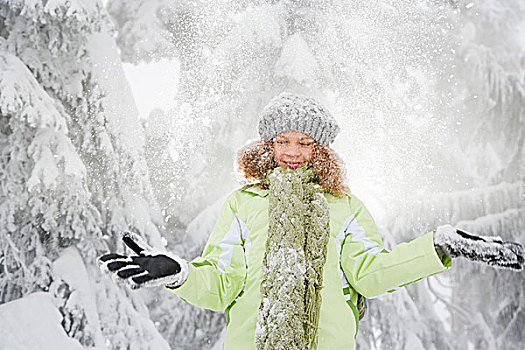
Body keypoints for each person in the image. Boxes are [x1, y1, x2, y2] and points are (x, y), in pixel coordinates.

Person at [99, 92, 524, 350]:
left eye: (304, 142)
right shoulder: (243, 204)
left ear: (320, 149)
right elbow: (222, 283)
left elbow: (371, 274)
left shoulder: (346, 207)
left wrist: (438, 247)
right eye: (282, 140)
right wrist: (180, 274)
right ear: (267, 145)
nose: (292, 151)